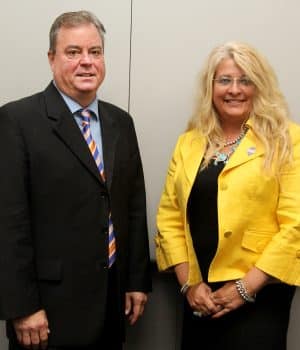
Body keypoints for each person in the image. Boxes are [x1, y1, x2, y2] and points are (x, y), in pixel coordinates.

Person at [0, 10, 151, 350]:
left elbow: (134, 205)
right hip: (48, 311)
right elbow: (9, 223)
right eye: (73, 52)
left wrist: (136, 281)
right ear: (52, 59)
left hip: (113, 302)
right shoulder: (17, 120)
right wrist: (22, 306)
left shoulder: (120, 122)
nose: (86, 62)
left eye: (94, 52)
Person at [155, 41, 300, 350]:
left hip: (261, 296)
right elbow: (169, 218)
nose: (234, 89)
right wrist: (189, 284)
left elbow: (295, 225)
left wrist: (245, 288)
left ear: (259, 86)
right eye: (225, 80)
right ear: (211, 87)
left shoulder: (288, 139)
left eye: (245, 80)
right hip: (200, 297)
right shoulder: (189, 142)